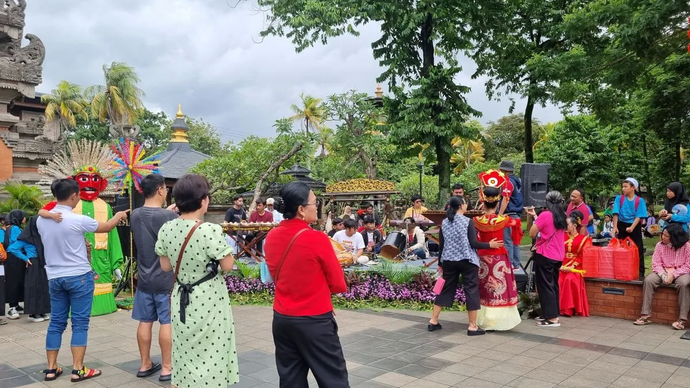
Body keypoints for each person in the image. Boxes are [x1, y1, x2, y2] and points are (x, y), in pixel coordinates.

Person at [37, 179, 129, 382]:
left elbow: (42, 213)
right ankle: (78, 369)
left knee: (56, 323)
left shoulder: (41, 220)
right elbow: (106, 227)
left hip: (54, 277)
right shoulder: (77, 219)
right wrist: (119, 215)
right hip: (79, 277)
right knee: (79, 324)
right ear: (73, 196)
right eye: (77, 194)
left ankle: (51, 368)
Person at [155, 174, 238, 388]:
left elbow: (165, 266)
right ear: (203, 200)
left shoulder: (167, 228)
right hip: (208, 296)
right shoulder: (209, 229)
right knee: (212, 351)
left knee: (184, 350)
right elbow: (228, 265)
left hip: (181, 296)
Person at [264, 182, 349, 387]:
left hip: (283, 319)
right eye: (314, 202)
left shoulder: (271, 236)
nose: (317, 206)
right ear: (301, 209)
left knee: (291, 380)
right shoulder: (317, 238)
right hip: (314, 320)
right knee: (333, 379)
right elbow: (338, 284)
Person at [429, 196, 502, 335]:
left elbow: (442, 246)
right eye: (464, 203)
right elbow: (473, 244)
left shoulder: (444, 222)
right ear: (462, 206)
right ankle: (472, 326)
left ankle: (433, 320)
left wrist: (440, 263)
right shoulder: (468, 221)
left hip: (449, 261)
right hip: (467, 260)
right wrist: (489, 244)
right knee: (471, 290)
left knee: (445, 290)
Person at [130, 174, 178, 382]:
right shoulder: (169, 217)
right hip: (165, 278)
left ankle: (145, 363)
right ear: (160, 190)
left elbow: (150, 217)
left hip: (144, 278)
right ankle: (167, 367)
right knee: (166, 322)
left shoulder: (134, 214)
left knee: (145, 321)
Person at [473, 187, 521, 331]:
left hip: (483, 257)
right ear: (497, 202)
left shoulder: (476, 220)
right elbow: (517, 226)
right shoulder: (504, 219)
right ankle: (499, 320)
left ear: (483, 201)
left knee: (484, 287)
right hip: (499, 257)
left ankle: (483, 319)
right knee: (500, 287)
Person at [634, 223, 690, 330]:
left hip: (681, 271)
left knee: (683, 283)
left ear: (675, 237)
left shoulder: (687, 246)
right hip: (663, 270)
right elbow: (656, 263)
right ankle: (645, 314)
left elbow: (688, 265)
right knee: (649, 280)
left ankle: (682, 319)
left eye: (666, 236)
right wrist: (663, 275)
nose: (663, 237)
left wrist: (673, 275)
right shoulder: (659, 245)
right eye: (663, 234)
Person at [526, 191, 567, 327]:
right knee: (553, 285)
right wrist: (536, 216)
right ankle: (552, 314)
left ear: (547, 202)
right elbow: (550, 227)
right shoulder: (562, 216)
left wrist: (534, 219)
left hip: (546, 254)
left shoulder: (545, 215)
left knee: (545, 286)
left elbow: (532, 233)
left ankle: (552, 319)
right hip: (558, 255)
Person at [8, 215, 51, 322]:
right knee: (34, 288)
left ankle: (41, 311)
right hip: (34, 263)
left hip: (42, 263)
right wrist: (25, 258)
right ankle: (33, 314)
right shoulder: (27, 238)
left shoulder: (41, 235)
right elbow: (12, 248)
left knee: (43, 288)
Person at [613, 178, 648, 280]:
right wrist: (615, 227)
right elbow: (616, 213)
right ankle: (621, 270)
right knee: (621, 248)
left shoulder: (639, 200)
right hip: (621, 225)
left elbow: (639, 215)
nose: (623, 189)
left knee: (637, 248)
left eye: (625, 186)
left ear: (633, 188)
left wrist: (632, 227)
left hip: (634, 225)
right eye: (622, 186)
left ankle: (640, 272)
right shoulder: (619, 198)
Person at [559, 214, 591, 317]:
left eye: (567, 224)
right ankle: (557, 308)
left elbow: (582, 256)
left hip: (576, 266)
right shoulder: (561, 237)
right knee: (557, 279)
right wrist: (560, 265)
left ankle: (568, 309)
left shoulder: (583, 239)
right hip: (561, 264)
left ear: (574, 225)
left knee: (569, 279)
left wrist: (572, 267)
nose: (565, 226)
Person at [498, 161, 523, 269]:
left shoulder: (507, 182)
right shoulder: (517, 180)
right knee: (515, 241)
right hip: (516, 215)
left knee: (507, 241)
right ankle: (516, 264)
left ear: (505, 171)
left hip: (509, 215)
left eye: (501, 170)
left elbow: (506, 199)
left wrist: (499, 214)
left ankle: (510, 263)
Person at [1, 210, 26, 320]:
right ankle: (12, 308)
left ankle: (15, 304)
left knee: (16, 280)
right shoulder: (15, 228)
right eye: (23, 216)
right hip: (14, 258)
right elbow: (20, 242)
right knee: (14, 281)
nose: (25, 218)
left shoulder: (11, 227)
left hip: (13, 257)